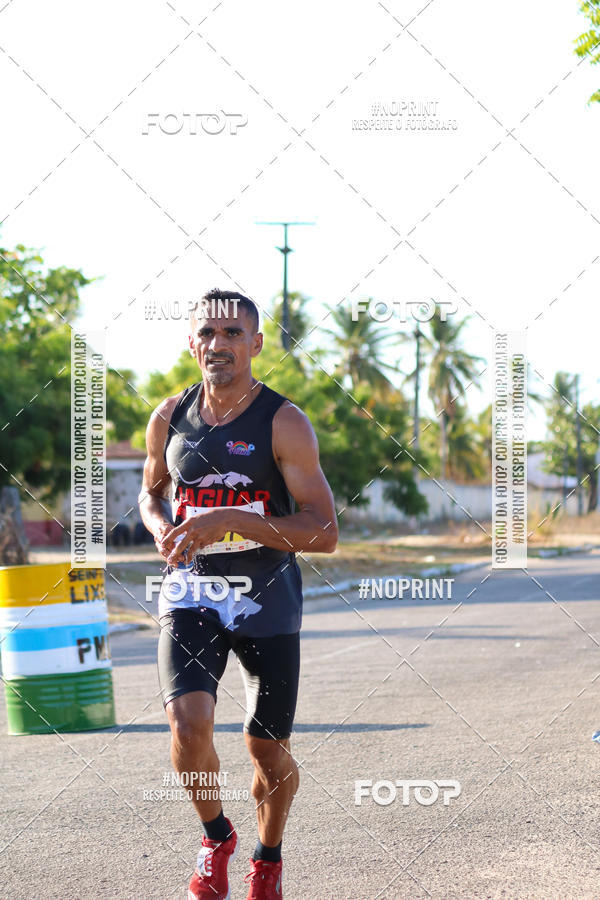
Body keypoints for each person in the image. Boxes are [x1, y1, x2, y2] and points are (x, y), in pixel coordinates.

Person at [138, 288, 338, 899]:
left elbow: (324, 531)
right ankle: (216, 836)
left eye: (232, 334)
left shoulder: (284, 421)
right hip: (192, 590)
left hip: (267, 594)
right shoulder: (169, 416)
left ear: (255, 344)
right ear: (191, 343)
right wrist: (160, 529)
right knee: (188, 722)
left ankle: (267, 857)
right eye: (207, 333)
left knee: (266, 752)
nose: (217, 344)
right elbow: (150, 493)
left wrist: (231, 522)